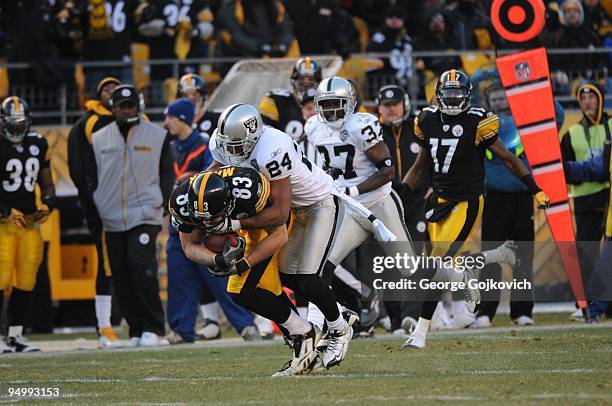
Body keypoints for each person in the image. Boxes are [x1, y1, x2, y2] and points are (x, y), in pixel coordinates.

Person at [208, 103, 377, 370]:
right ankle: (331, 319)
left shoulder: (272, 148)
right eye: (227, 145)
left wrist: (232, 221)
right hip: (291, 210)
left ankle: (340, 327)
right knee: (287, 276)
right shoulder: (223, 144)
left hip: (317, 204)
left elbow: (278, 213)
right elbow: (214, 171)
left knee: (308, 276)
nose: (232, 153)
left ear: (253, 136)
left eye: (238, 146)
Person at [401, 69, 550, 349]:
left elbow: (508, 158)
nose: (454, 100)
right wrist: (402, 191)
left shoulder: (478, 121)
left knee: (437, 265)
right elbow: (420, 166)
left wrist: (535, 188)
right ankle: (491, 259)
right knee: (435, 264)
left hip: (467, 202)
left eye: (458, 95)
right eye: (449, 94)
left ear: (468, 96)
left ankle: (420, 334)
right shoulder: (426, 120)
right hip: (439, 202)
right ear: (439, 96)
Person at [170, 167, 336, 375]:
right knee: (267, 290)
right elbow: (189, 247)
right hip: (243, 222)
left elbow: (279, 234)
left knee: (243, 290)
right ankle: (307, 355)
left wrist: (243, 264)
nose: (209, 224)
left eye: (214, 218)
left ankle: (307, 330)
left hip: (268, 220)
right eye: (203, 220)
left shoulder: (248, 191)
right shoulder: (182, 201)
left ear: (228, 203)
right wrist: (217, 259)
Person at [163, 99, 258, 343]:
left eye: (170, 117)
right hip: (180, 214)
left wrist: (192, 179)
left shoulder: (204, 144)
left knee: (219, 274)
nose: (166, 123)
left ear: (182, 119)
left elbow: (214, 179)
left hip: (204, 218)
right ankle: (181, 328)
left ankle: (245, 324)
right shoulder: (170, 146)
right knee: (178, 278)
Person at [473, 81, 564, 328]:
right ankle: (484, 313)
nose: (500, 103)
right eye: (496, 99)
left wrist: (545, 90)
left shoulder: (526, 125)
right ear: (488, 103)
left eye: (504, 98)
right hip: (494, 197)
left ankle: (522, 312)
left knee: (524, 257)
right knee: (490, 259)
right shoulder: (483, 126)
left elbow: (557, 118)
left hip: (522, 197)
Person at [91, 85, 174, 347]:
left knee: (142, 269)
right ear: (113, 108)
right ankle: (136, 328)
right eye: (123, 106)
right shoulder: (99, 137)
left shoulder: (158, 135)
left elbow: (166, 173)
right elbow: (90, 175)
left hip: (144, 213)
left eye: (132, 105)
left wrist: (160, 203)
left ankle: (153, 326)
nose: (128, 110)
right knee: (121, 273)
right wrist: (98, 201)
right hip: (111, 216)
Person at [68, 76, 121, 349]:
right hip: (104, 205)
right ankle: (104, 325)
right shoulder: (88, 123)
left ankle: (132, 323)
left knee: (130, 264)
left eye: (115, 88)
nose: (111, 92)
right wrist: (93, 201)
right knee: (107, 263)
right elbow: (80, 168)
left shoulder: (132, 120)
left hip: (130, 205)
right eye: (106, 89)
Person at [0, 96, 56, 352]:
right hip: (3, 222)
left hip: (29, 222)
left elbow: (46, 179)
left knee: (27, 279)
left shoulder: (38, 142)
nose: (18, 127)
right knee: (1, 278)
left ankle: (16, 334)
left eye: (22, 122)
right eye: (13, 122)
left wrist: (48, 201)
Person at [562, 82, 612, 321]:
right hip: (584, 199)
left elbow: (578, 169)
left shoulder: (611, 125)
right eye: (583, 98)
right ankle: (583, 303)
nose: (587, 102)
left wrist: (583, 169)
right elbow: (565, 170)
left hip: (609, 198)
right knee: (586, 253)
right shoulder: (571, 134)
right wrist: (597, 169)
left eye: (592, 97)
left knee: (608, 254)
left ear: (600, 99)